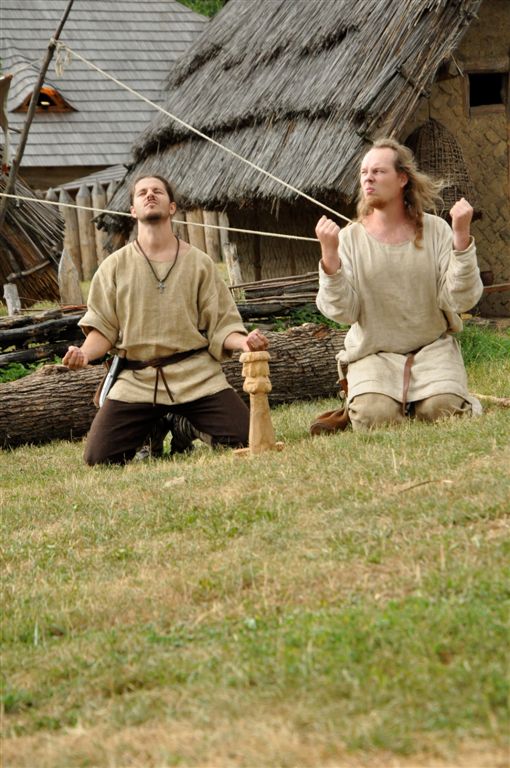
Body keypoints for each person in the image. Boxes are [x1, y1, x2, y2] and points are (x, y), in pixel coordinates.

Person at [63, 174, 267, 464]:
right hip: (137, 379)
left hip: (196, 375)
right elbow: (103, 329)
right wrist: (84, 353)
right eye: (142, 192)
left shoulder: (199, 263)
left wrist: (244, 342)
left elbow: (222, 325)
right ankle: (154, 428)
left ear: (172, 207)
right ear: (133, 210)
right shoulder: (113, 267)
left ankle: (185, 426)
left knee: (247, 438)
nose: (150, 195)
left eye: (157, 191)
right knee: (99, 458)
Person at [313, 137, 483, 433]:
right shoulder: (350, 238)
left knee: (442, 410)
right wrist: (330, 258)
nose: (368, 178)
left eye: (378, 171)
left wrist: (461, 238)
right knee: (374, 418)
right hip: (374, 354)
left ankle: (440, 395)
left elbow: (460, 300)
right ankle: (366, 400)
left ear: (402, 179)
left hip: (432, 349)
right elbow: (343, 313)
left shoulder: (435, 230)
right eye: (364, 172)